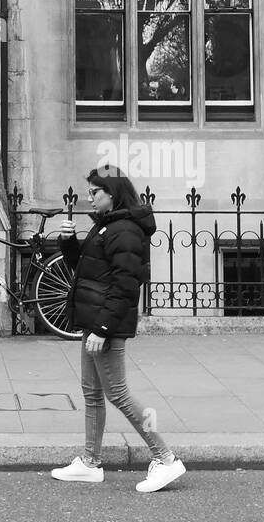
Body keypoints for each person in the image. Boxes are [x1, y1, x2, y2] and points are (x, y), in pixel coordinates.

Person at [49, 165, 187, 494]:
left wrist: (103, 328)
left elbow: (126, 286)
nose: (89, 197)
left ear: (111, 194)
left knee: (118, 394)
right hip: (94, 321)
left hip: (104, 325)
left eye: (94, 192)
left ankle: (165, 458)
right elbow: (89, 271)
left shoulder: (124, 230)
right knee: (93, 393)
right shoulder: (106, 226)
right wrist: (68, 243)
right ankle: (90, 463)